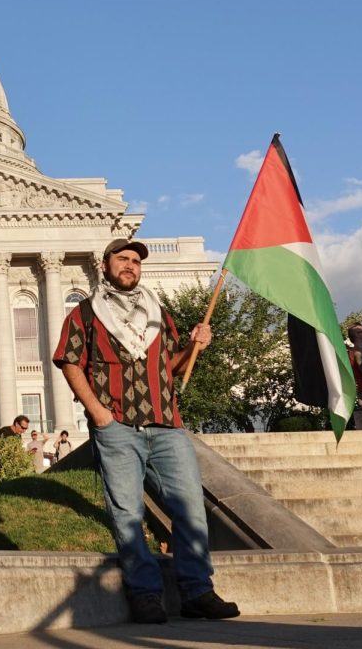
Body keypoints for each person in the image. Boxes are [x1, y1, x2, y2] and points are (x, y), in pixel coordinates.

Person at [53, 238, 239, 624]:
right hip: (118, 426)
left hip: (166, 424)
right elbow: (70, 361)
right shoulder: (86, 315)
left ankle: (197, 591)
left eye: (136, 261)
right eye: (122, 259)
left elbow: (170, 365)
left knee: (190, 509)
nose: (130, 265)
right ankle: (146, 595)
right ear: (105, 266)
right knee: (127, 514)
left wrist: (194, 348)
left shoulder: (158, 313)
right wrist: (98, 413)